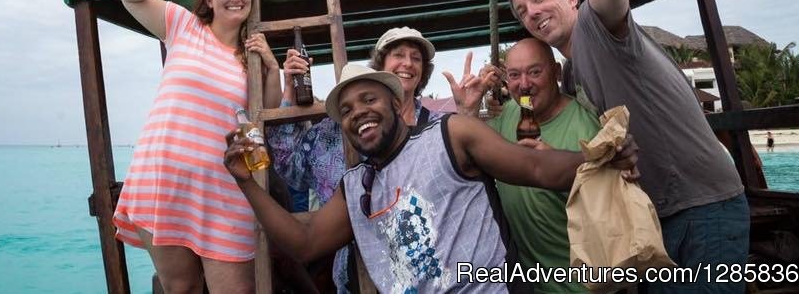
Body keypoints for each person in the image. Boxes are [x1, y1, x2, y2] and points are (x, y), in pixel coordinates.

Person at [507, 0, 748, 292]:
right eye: (523, 11)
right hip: (652, 214)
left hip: (701, 203)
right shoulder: (569, 75)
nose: (533, 13)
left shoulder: (597, 26)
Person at [225, 62, 639, 293]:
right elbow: (305, 242)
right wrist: (246, 183)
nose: (358, 114)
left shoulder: (450, 134)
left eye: (368, 100)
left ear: (394, 100)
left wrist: (599, 159)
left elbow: (533, 167)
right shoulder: (357, 185)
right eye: (347, 111)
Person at [268, 27, 486, 292]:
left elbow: (472, 188)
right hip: (355, 279)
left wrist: (468, 114)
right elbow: (289, 167)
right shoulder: (331, 134)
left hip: (437, 279)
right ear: (380, 68)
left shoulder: (440, 128)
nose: (407, 63)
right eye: (398, 54)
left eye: (416, 58)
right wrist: (290, 90)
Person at [112, 0, 282, 292]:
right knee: (181, 288)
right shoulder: (184, 26)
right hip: (164, 180)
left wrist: (272, 66)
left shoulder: (252, 55)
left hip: (222, 188)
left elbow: (267, 108)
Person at [471, 38, 600, 294]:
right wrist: (471, 105)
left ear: (556, 72)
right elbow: (470, 150)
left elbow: (610, 204)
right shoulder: (509, 113)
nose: (524, 84)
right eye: (515, 75)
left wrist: (561, 166)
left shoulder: (586, 127)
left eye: (534, 72)